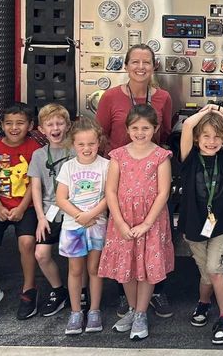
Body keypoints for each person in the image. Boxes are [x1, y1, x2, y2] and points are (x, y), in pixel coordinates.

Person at [96, 44, 174, 320]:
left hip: (152, 175)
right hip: (121, 178)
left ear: (154, 67)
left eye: (147, 62)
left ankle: (156, 291)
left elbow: (165, 131)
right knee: (124, 242)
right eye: (135, 62)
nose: (141, 67)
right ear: (126, 65)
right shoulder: (111, 97)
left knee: (154, 241)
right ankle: (124, 298)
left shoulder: (163, 97)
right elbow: (100, 133)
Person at [99, 106, 174, 341]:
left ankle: (142, 313)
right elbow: (110, 191)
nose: (140, 133)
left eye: (145, 128)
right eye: (135, 128)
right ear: (128, 129)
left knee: (147, 268)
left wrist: (147, 224)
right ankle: (132, 310)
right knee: (127, 267)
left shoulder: (161, 157)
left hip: (150, 220)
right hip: (123, 219)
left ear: (155, 129)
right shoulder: (118, 155)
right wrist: (119, 222)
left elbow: (163, 193)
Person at [179, 103, 223, 345]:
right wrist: (205, 113)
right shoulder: (189, 159)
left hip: (219, 226)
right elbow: (188, 124)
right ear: (197, 138)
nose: (211, 141)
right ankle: (204, 303)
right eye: (206, 136)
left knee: (214, 269)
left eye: (217, 136)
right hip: (193, 225)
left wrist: (218, 109)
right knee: (206, 272)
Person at [0, 102, 42, 319]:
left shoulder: (35, 150)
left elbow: (35, 183)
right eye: (9, 123)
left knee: (27, 242)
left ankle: (29, 289)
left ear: (30, 125)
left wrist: (22, 207)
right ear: (2, 125)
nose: (14, 128)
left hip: (27, 205)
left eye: (20, 123)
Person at [55, 117, 110, 336]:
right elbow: (61, 198)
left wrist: (91, 214)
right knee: (75, 269)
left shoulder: (107, 166)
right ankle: (76, 311)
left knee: (95, 269)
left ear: (99, 142)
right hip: (72, 224)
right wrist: (80, 215)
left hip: (97, 223)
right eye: (81, 144)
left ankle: (94, 310)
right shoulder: (68, 167)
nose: (87, 148)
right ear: (73, 144)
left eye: (91, 143)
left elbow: (109, 195)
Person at [28, 103, 73, 317]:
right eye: (50, 124)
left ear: (67, 125)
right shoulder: (38, 155)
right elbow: (35, 187)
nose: (55, 128)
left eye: (59, 123)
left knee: (76, 256)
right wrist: (40, 218)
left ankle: (80, 292)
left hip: (73, 211)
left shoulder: (75, 150)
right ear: (41, 129)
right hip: (49, 212)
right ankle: (58, 290)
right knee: (41, 254)